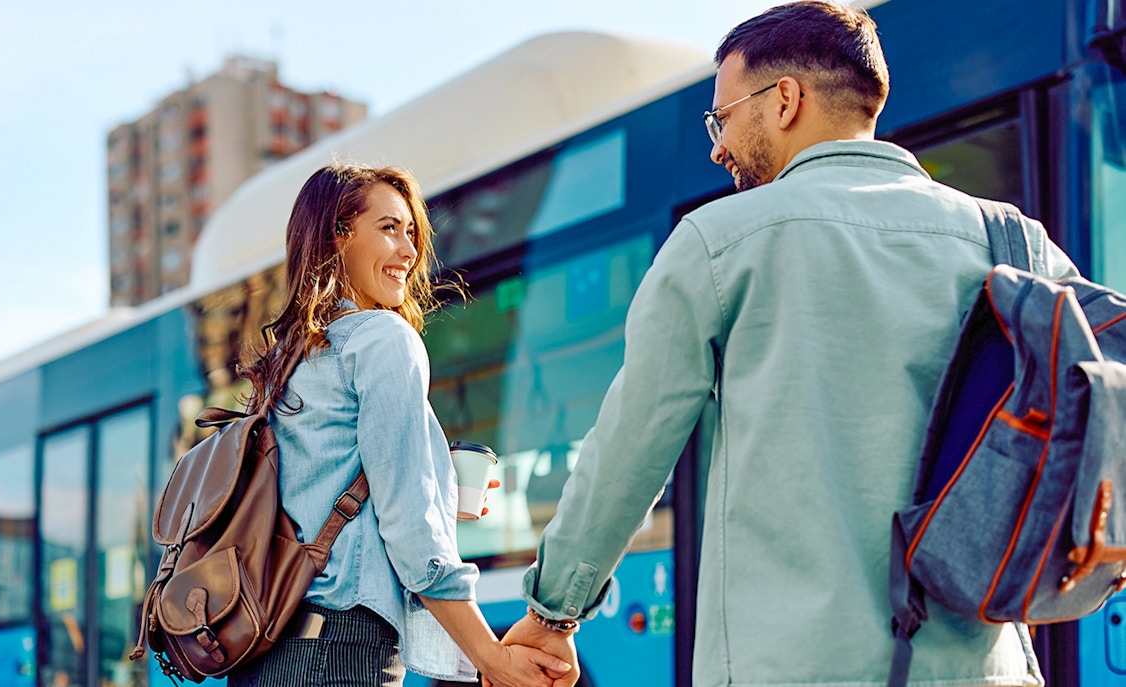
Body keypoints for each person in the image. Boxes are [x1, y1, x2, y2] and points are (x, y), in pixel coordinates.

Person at [499, 2, 1078, 686]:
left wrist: (553, 611)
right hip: (985, 669)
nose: (716, 146)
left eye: (722, 117)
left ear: (784, 101)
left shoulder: (719, 244)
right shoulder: (1014, 243)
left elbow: (629, 449)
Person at [233, 164, 571, 687]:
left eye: (412, 232)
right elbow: (412, 530)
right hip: (337, 654)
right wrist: (491, 658)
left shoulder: (290, 356)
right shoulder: (383, 339)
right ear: (338, 236)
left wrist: (441, 484)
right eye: (390, 228)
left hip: (267, 654)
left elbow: (317, 494)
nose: (411, 252)